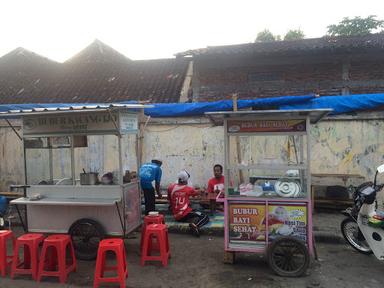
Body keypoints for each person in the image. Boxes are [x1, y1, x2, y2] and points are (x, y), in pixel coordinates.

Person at [168, 170, 209, 237]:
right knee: (204, 216)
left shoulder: (170, 188)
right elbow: (199, 192)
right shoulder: (187, 189)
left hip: (176, 215)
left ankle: (194, 223)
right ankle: (196, 225)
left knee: (193, 211)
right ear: (185, 180)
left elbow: (169, 200)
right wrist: (203, 191)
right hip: (184, 214)